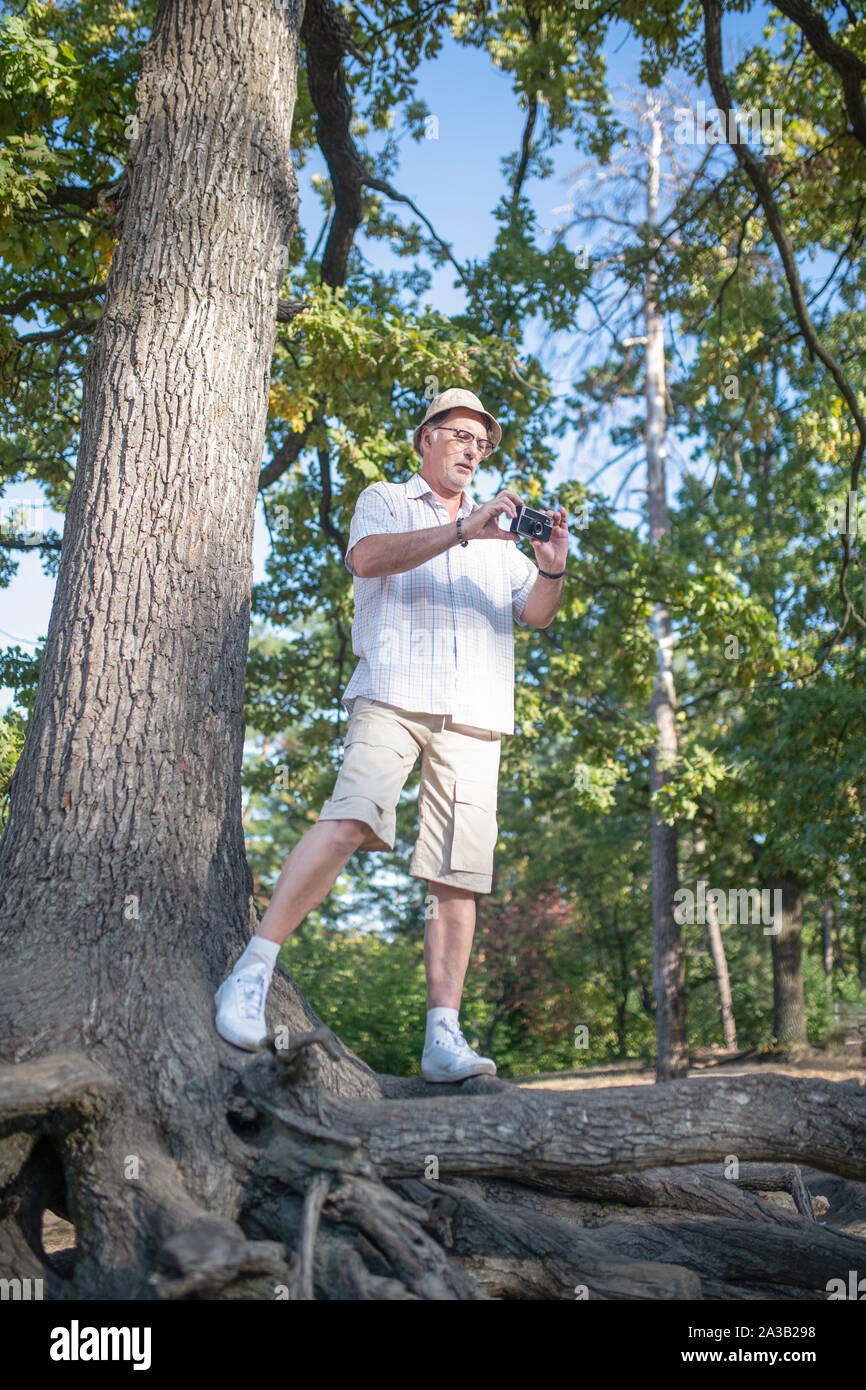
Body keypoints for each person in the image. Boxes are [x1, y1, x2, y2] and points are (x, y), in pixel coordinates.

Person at [215, 388, 569, 1079]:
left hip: (476, 714)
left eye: (483, 443)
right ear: (426, 439)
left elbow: (538, 615)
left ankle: (443, 1037)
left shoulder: (503, 535)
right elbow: (368, 560)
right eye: (460, 435)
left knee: (455, 878)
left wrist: (552, 561)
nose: (473, 450)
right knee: (351, 821)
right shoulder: (384, 499)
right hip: (393, 695)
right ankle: (253, 969)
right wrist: (466, 531)